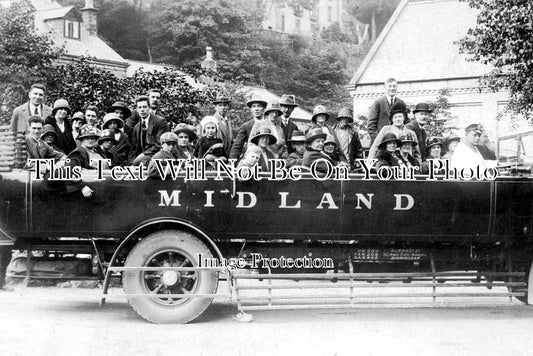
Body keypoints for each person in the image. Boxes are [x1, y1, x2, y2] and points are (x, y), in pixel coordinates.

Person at [130, 95, 169, 166]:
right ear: (137, 110)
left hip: (157, 154)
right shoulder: (137, 127)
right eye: (140, 107)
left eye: (144, 107)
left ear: (149, 107)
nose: (142, 110)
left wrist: (143, 154)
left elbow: (160, 144)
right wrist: (131, 163)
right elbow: (134, 148)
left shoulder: (160, 121)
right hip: (142, 158)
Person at [66, 126, 103, 198]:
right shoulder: (78, 152)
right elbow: (69, 171)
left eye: (92, 138)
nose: (90, 140)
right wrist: (82, 186)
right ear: (81, 139)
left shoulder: (97, 151)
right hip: (83, 190)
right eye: (87, 138)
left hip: (96, 185)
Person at [367, 77, 406, 143]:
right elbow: (371, 126)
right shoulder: (378, 102)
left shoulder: (400, 102)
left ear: (397, 87)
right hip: (381, 142)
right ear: (385, 87)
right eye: (389, 86)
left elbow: (406, 121)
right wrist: (379, 141)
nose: (392, 88)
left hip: (397, 141)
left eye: (394, 86)